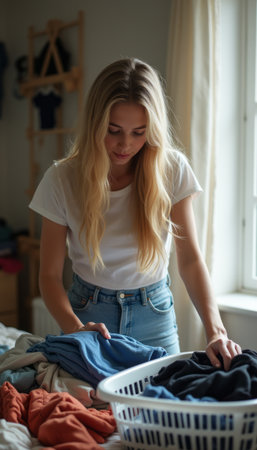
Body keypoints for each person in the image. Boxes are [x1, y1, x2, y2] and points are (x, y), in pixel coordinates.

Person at [29, 57, 241, 370]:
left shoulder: (172, 170)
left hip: (153, 314)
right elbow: (48, 276)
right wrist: (75, 330)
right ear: (95, 124)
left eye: (139, 132)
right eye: (113, 130)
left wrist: (216, 331)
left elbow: (191, 259)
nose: (125, 144)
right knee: (95, 414)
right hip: (88, 316)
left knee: (162, 412)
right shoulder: (62, 179)